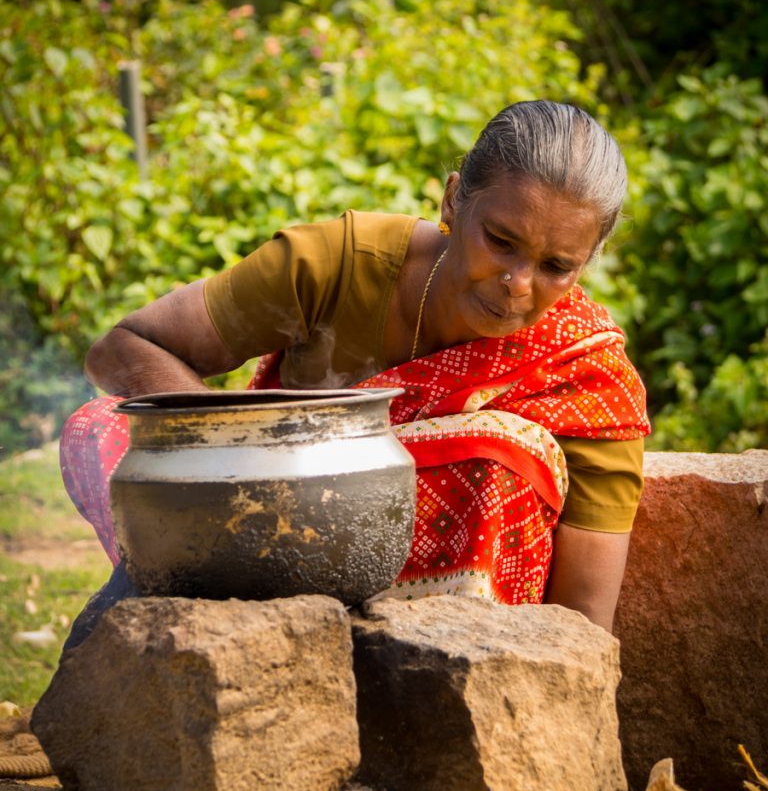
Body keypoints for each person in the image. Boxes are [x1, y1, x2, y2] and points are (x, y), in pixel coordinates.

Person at [61, 100, 650, 638]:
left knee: (499, 452)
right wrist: (243, 455)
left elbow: (582, 624)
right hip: (249, 549)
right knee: (105, 429)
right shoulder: (337, 262)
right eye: (500, 241)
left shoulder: (588, 373)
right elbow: (123, 347)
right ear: (452, 201)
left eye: (555, 266)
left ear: (585, 265)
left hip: (453, 648)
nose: (517, 284)